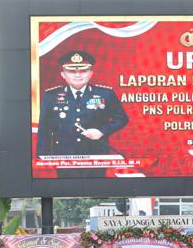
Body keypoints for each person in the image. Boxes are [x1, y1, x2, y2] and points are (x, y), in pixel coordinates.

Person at [35, 50, 129, 178]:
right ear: (63, 74)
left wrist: (101, 131)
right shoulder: (51, 96)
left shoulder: (105, 94)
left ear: (90, 73)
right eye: (72, 71)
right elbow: (44, 129)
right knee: (66, 192)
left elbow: (121, 118)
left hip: (96, 155)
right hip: (64, 156)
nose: (78, 75)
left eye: (83, 71)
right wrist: (42, 157)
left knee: (96, 190)